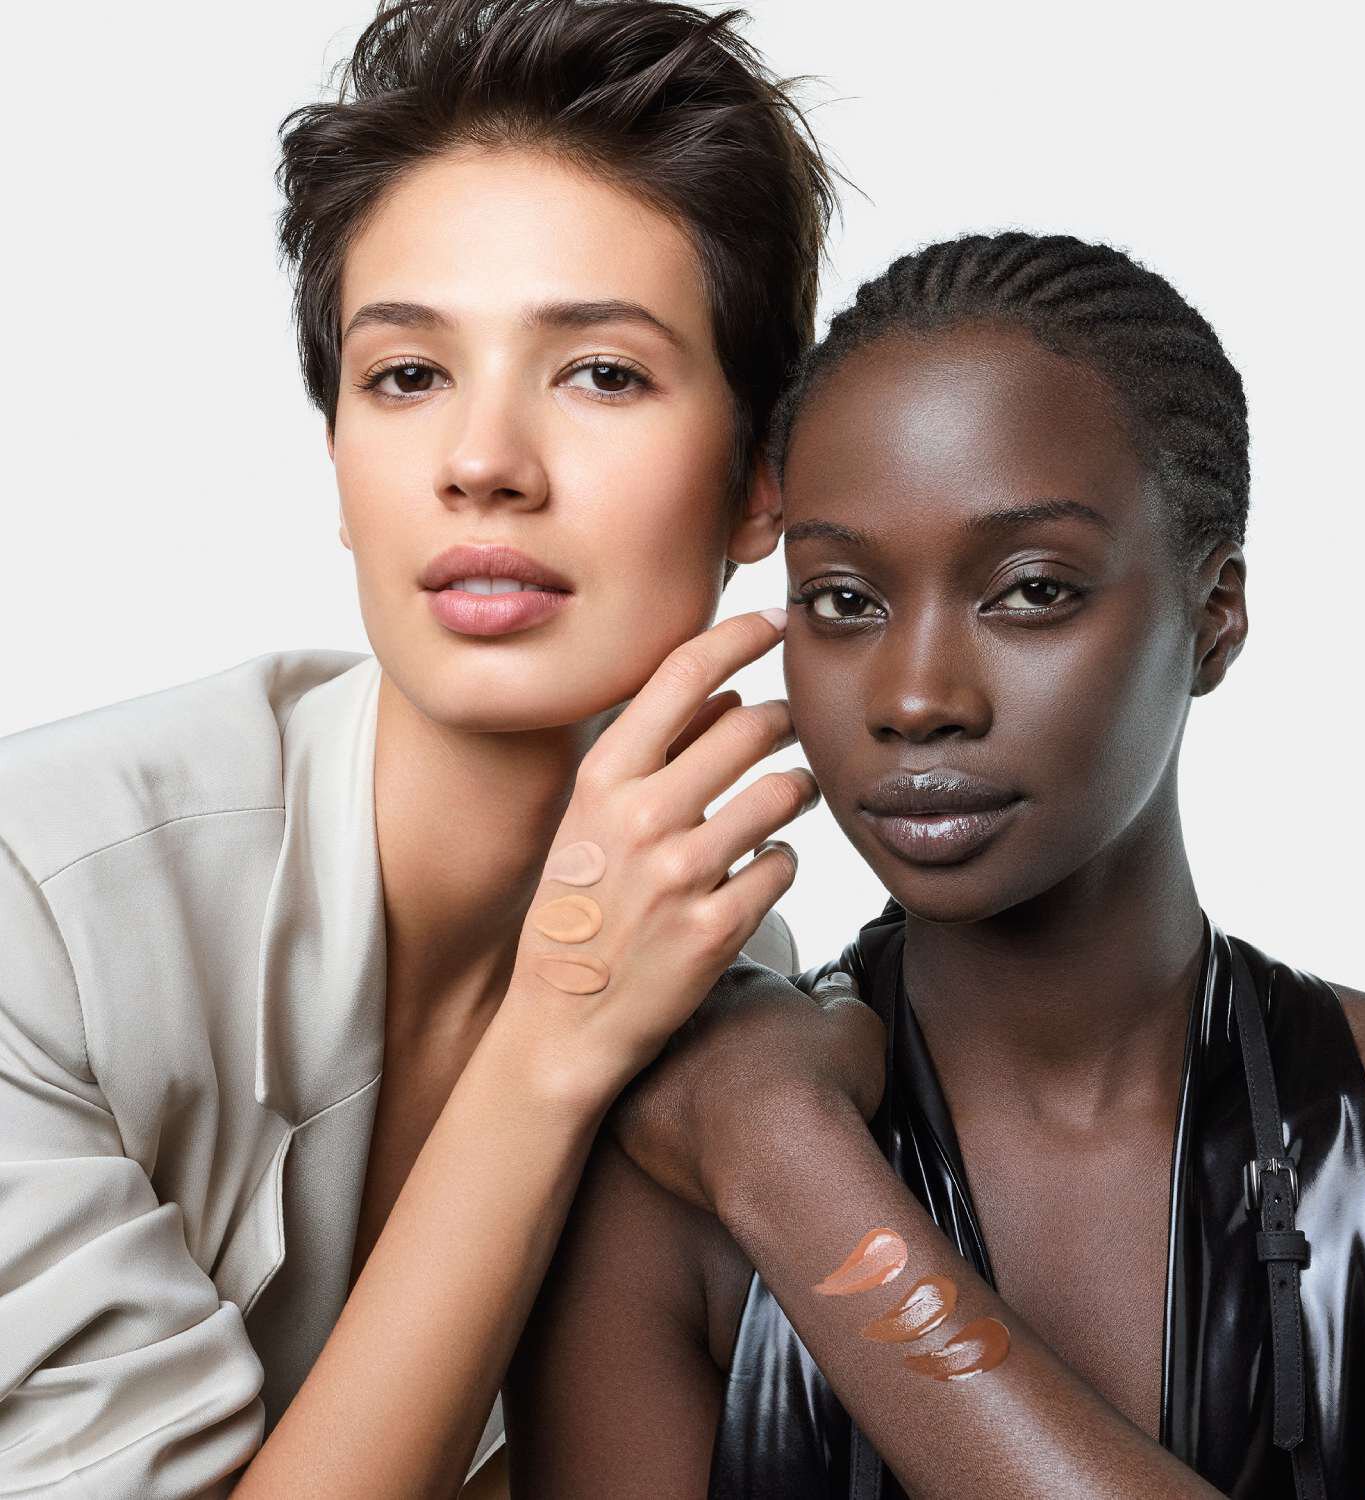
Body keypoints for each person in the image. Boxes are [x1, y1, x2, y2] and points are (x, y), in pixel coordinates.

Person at [506, 231, 1365, 1498]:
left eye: (1030, 591)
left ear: (1215, 615)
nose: (916, 698)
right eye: (845, 601)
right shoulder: (647, 1186)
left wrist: (787, 1165)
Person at [0, 1, 838, 1495]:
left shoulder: (731, 982)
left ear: (763, 475)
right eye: (406, 376)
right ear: (336, 457)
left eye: (601, 373)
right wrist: (555, 1039)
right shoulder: (40, 910)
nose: (482, 464)